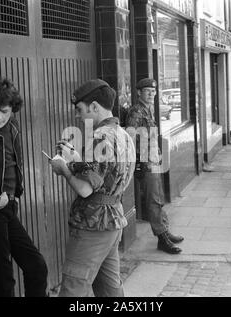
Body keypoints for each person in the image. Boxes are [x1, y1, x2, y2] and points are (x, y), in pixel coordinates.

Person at [49, 79, 136, 297]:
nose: (78, 116)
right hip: (113, 220)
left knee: (73, 288)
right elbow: (107, 177)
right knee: (109, 289)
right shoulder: (124, 135)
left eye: (80, 110)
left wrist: (64, 169)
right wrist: (76, 158)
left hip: (92, 226)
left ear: (95, 107)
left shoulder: (98, 137)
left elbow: (86, 190)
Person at [0, 78, 48, 297]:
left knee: (37, 266)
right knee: (4, 276)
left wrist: (15, 195)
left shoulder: (13, 127)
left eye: (4, 111)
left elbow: (15, 163)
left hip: (9, 206)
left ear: (13, 109)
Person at [125, 78, 183, 254]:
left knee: (158, 198)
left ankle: (164, 230)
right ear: (138, 92)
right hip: (146, 162)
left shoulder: (147, 110)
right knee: (153, 200)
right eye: (147, 91)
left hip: (153, 160)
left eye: (154, 91)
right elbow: (130, 136)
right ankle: (161, 238)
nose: (152, 94)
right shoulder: (136, 111)